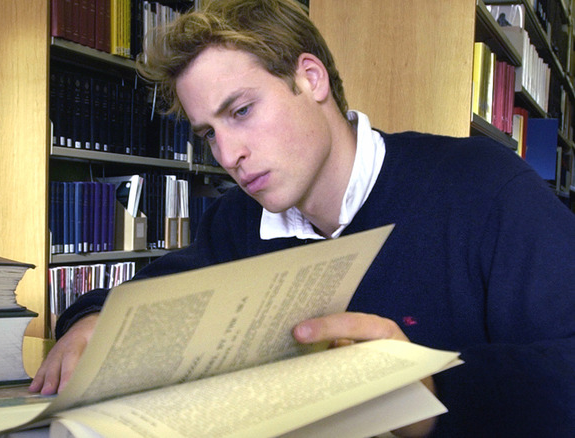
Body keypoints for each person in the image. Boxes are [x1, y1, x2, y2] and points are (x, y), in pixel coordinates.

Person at [30, 0, 575, 436]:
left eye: (241, 112)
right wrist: (90, 322)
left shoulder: (483, 187)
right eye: (209, 134)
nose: (228, 155)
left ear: (310, 78)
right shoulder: (235, 223)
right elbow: (151, 292)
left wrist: (428, 391)